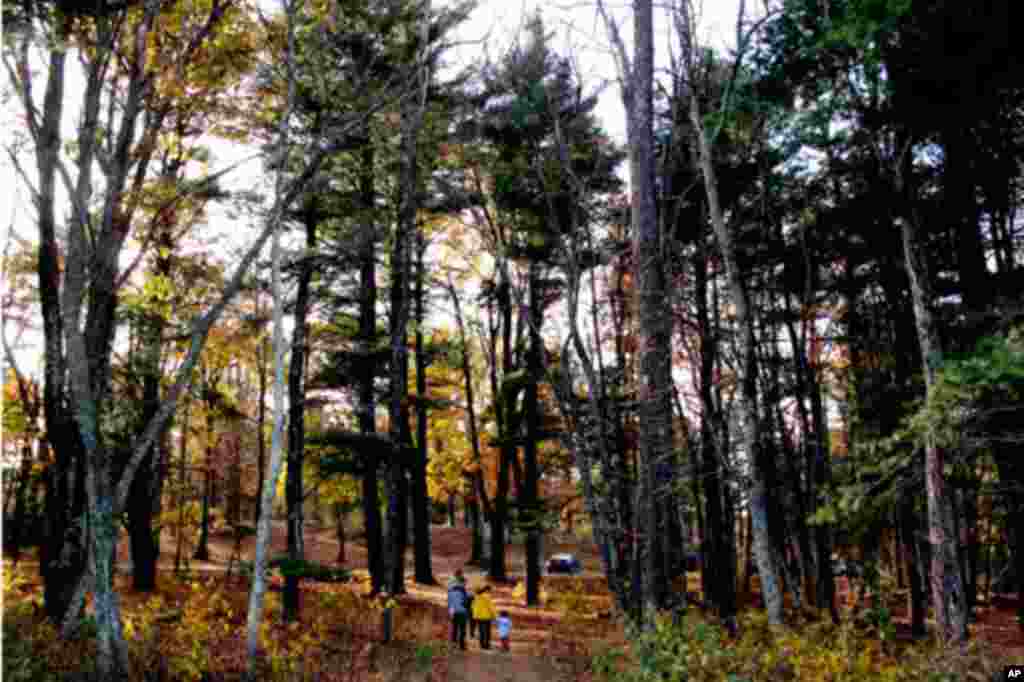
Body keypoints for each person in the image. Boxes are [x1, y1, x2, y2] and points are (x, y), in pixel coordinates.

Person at [447, 570, 469, 650]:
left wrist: (450, 611)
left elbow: (449, 602)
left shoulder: (450, 591)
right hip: (462, 611)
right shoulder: (463, 591)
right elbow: (466, 601)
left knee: (454, 628)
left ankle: (453, 644)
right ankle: (462, 645)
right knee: (462, 629)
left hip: (453, 611)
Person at [472, 585, 496, 650]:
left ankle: (482, 644)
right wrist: (494, 616)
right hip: (486, 616)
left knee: (481, 631)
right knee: (487, 631)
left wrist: (475, 615)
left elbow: (474, 607)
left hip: (479, 617)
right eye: (490, 590)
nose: (491, 592)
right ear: (487, 590)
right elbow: (491, 607)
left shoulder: (476, 597)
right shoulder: (487, 597)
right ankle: (487, 645)